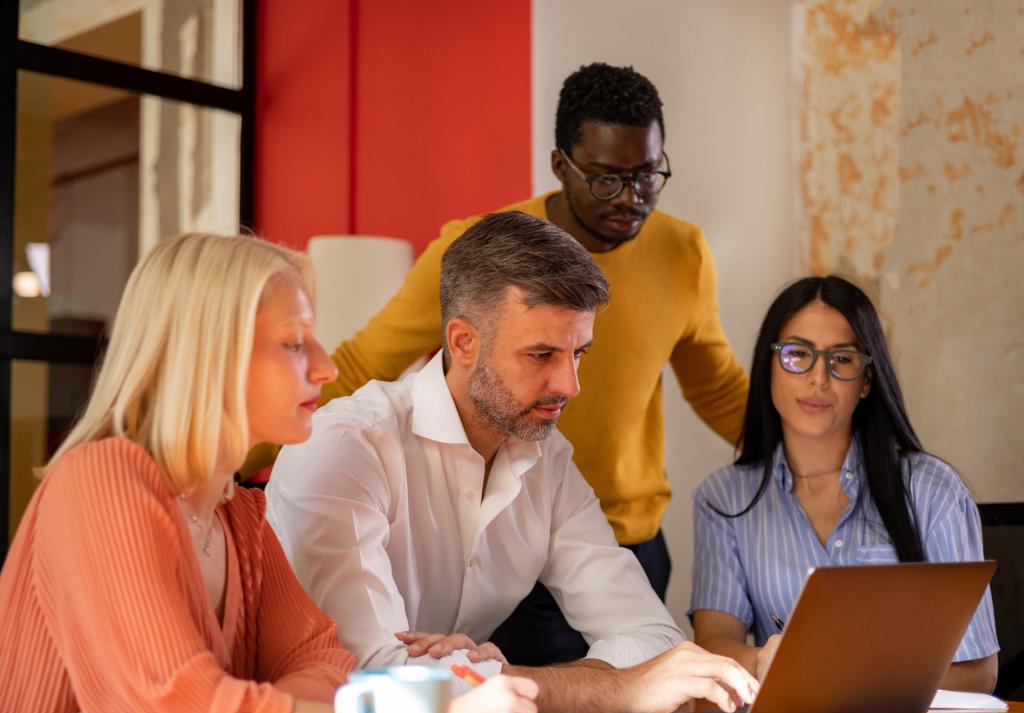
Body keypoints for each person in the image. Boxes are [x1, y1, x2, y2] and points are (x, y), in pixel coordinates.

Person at [242, 63, 749, 666]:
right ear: (562, 165)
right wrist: (239, 458)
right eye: (609, 179)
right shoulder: (477, 257)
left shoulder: (683, 253)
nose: (631, 198)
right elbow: (358, 363)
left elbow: (718, 388)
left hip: (604, 522)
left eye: (647, 176)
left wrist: (825, 454)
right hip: (508, 552)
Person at [0, 233, 538, 713]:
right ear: (209, 355)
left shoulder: (241, 517)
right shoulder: (101, 481)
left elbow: (324, 664)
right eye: (296, 343)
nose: (327, 368)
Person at [267, 211, 759, 713]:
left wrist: (496, 681)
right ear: (462, 343)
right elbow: (375, 680)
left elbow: (656, 640)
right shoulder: (346, 447)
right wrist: (618, 689)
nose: (569, 385)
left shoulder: (549, 460)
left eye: (578, 353)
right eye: (541, 353)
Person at [689, 276, 999, 692]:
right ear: (768, 368)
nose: (818, 378)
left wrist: (847, 678)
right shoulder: (723, 498)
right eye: (797, 355)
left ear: (867, 380)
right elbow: (713, 644)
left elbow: (979, 674)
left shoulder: (932, 491)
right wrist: (765, 660)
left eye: (842, 359)